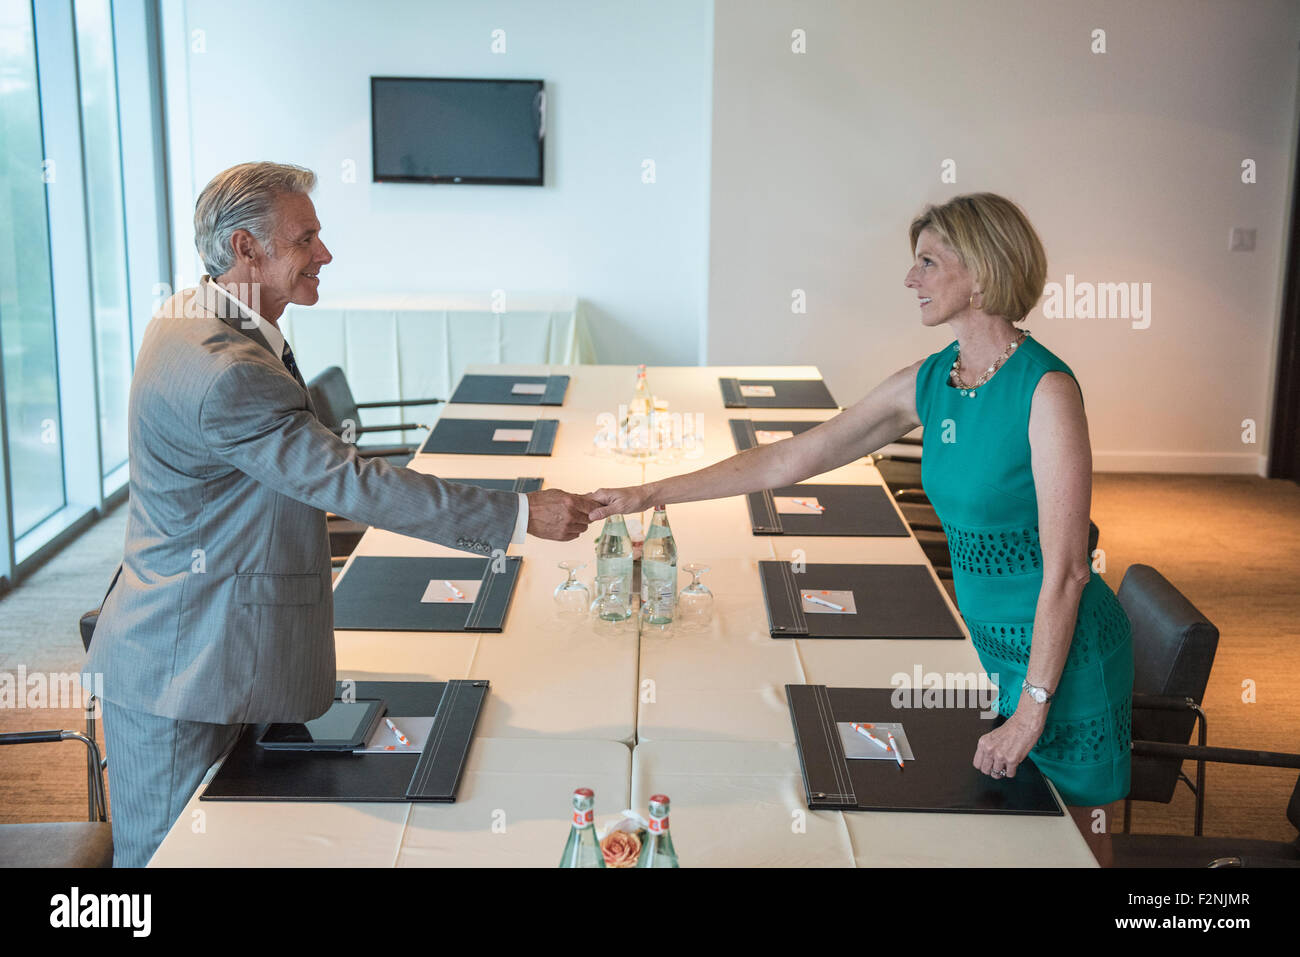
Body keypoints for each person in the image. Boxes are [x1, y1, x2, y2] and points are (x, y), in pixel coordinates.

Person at [587, 193, 1132, 862]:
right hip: (986, 647)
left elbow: (1070, 569)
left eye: (928, 263)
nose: (911, 281)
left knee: (1079, 846)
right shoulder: (935, 380)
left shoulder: (1046, 390)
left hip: (1064, 656)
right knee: (1015, 835)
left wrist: (1034, 706)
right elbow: (794, 456)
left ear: (983, 272)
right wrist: (647, 492)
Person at [85, 162, 597, 866]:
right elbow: (347, 481)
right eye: (306, 238)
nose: (324, 254)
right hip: (184, 665)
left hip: (228, 645)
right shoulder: (224, 367)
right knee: (164, 861)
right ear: (244, 248)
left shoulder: (205, 314)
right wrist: (518, 513)